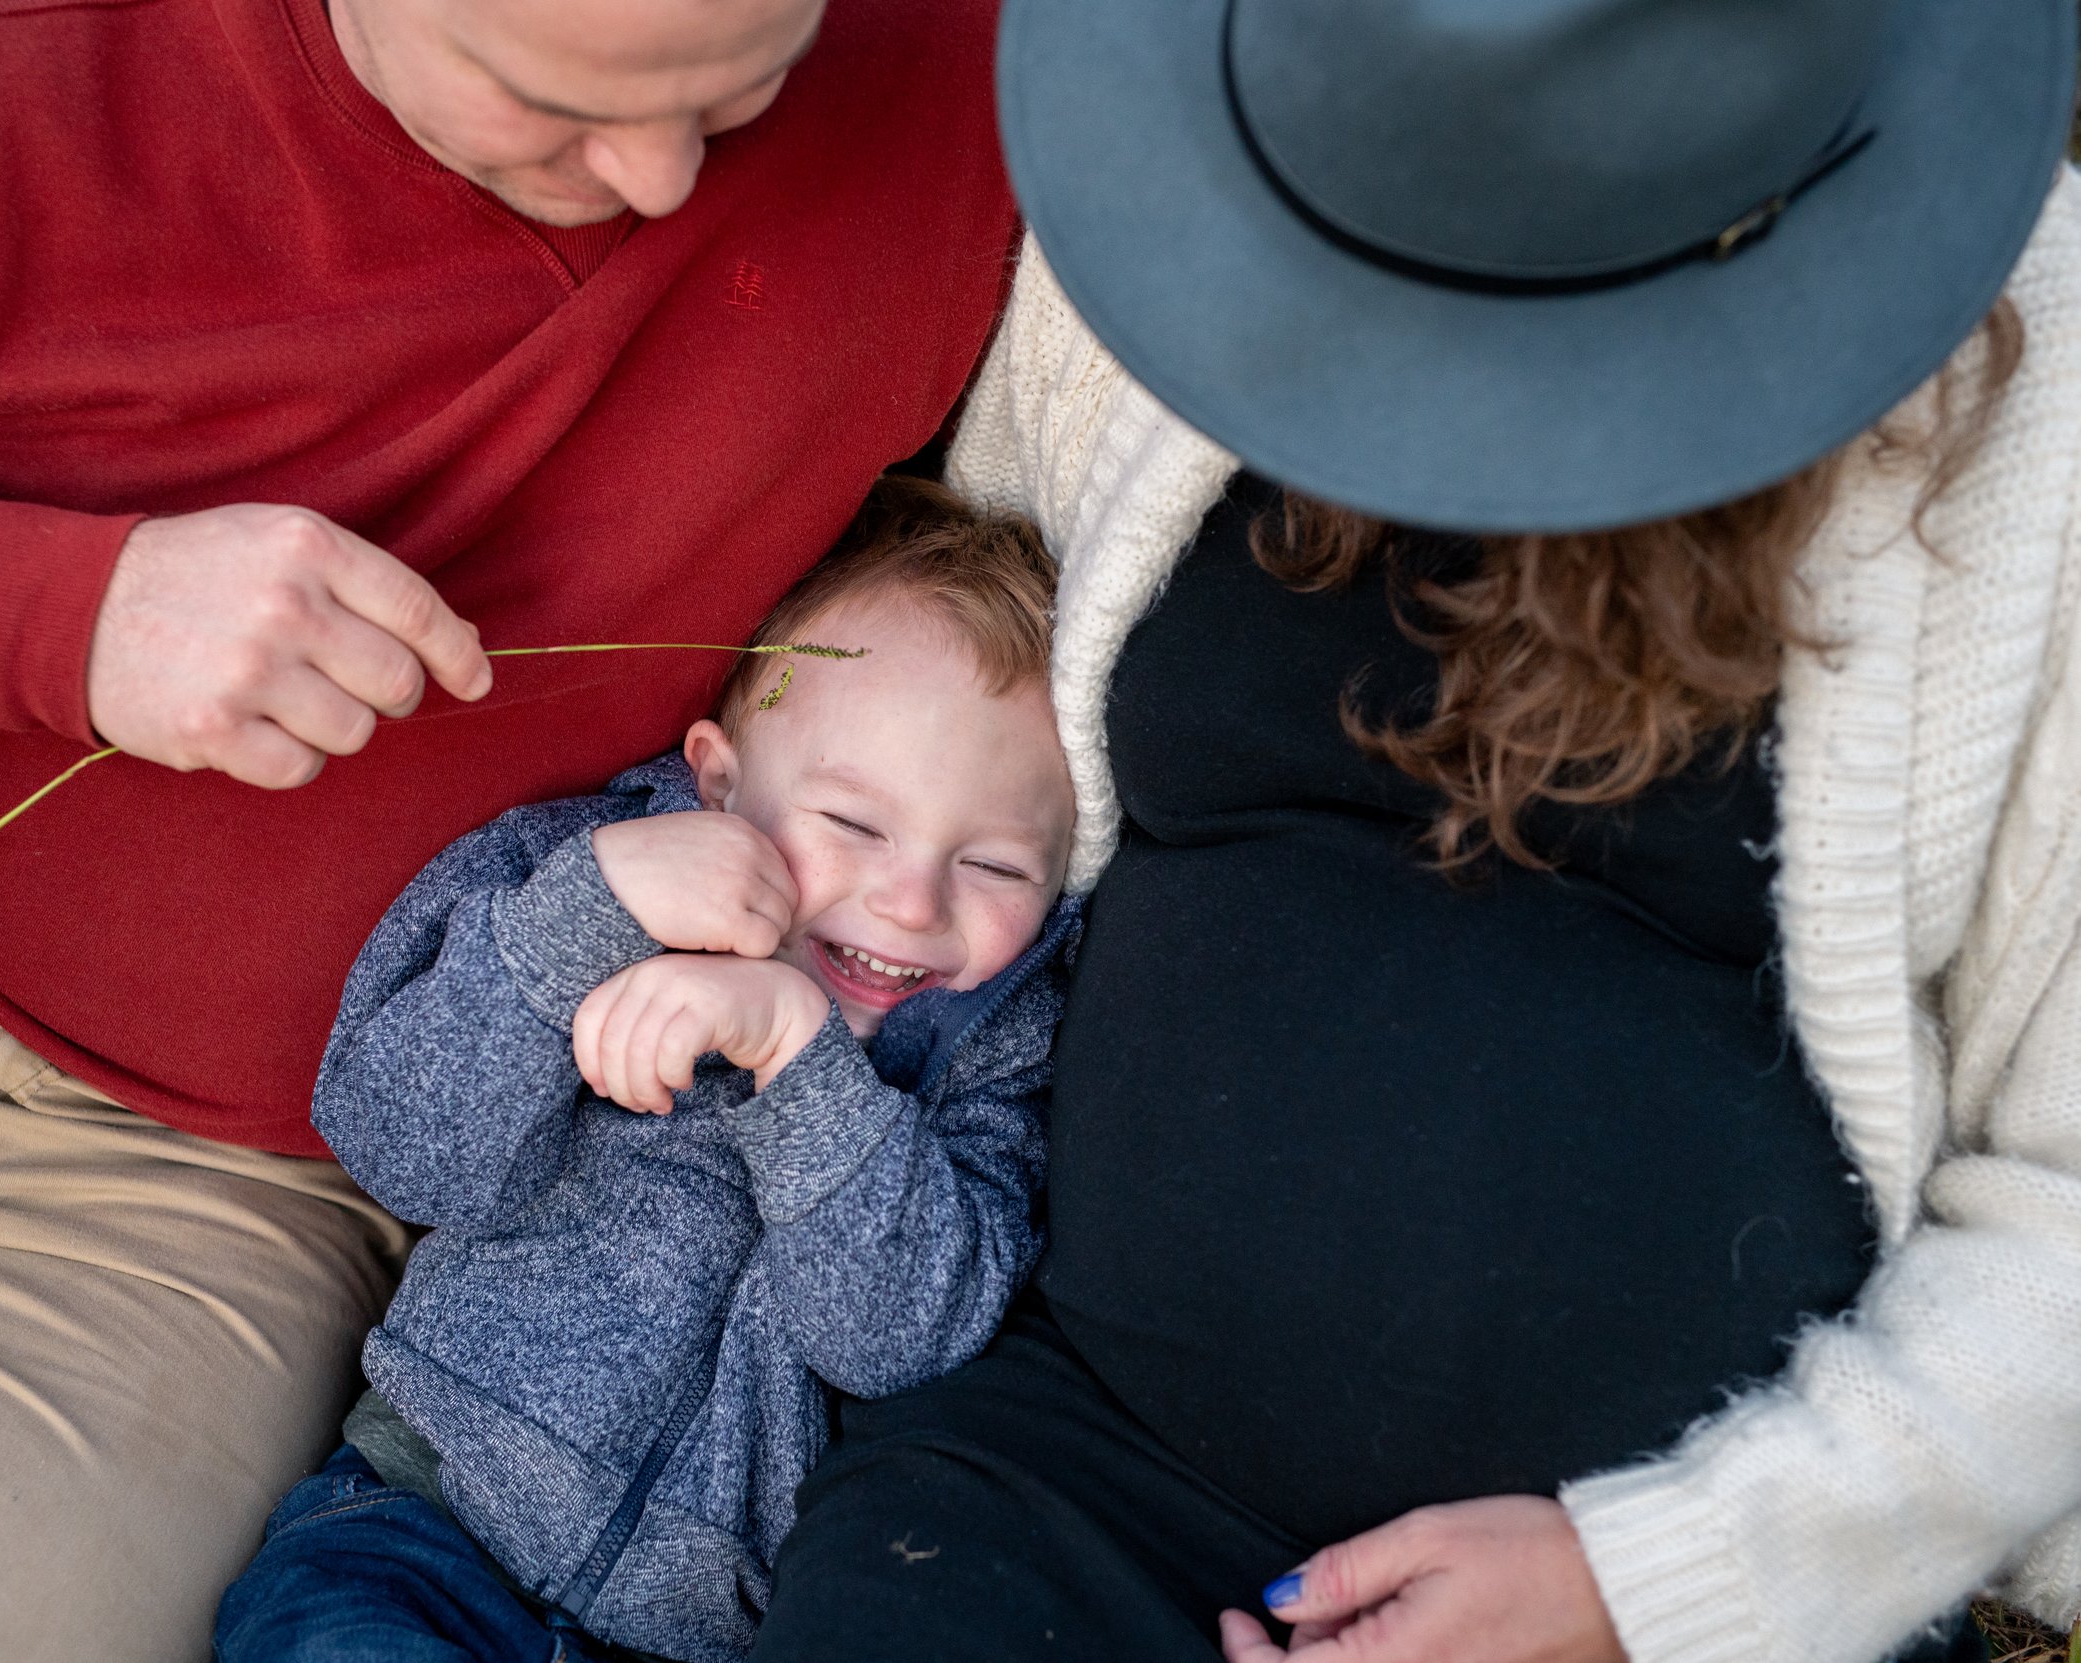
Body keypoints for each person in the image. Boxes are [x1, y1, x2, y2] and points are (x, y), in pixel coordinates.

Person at [0, 0, 1019, 1652]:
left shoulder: (981, 72)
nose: (659, 175)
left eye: (736, 91)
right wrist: (59, 613)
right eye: (552, 104)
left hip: (186, 1187)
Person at [751, 3, 2081, 1662]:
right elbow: (932, 694)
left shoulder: (2045, 422)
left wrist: (1660, 1581)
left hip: (1683, 1556)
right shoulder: (1191, 197)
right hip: (1073, 1463)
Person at [212, 479, 1079, 1663]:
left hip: (696, 1637)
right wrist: (589, 915)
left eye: (994, 864)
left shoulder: (994, 1042)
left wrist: (795, 1051)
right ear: (721, 780)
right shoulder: (586, 873)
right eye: (856, 825)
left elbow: (894, 1338)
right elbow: (395, 1143)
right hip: (421, 1524)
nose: (911, 901)